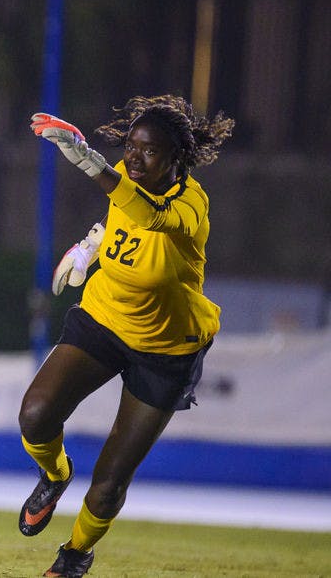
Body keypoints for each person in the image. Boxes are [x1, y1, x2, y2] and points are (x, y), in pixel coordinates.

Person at [19, 95, 234, 577]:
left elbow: (150, 217)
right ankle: (55, 476)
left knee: (111, 481)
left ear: (176, 160)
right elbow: (121, 215)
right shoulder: (127, 175)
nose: (134, 158)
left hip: (166, 347)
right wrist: (89, 247)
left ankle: (75, 554)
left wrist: (91, 164)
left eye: (149, 151)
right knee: (35, 415)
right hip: (106, 317)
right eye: (131, 147)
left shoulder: (191, 204)